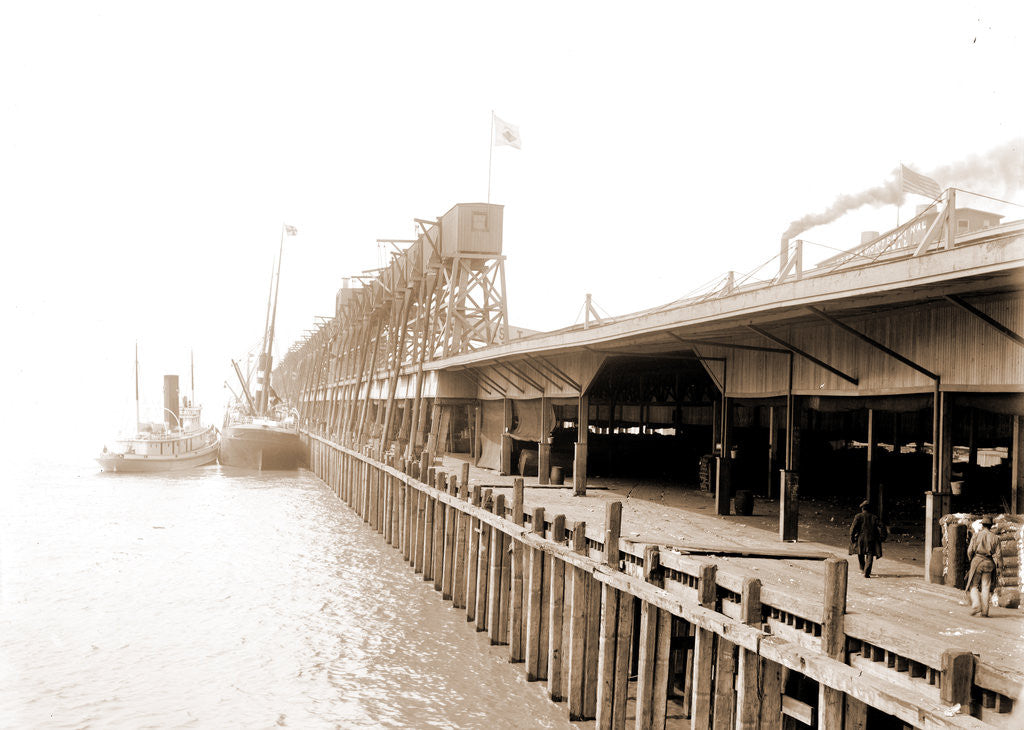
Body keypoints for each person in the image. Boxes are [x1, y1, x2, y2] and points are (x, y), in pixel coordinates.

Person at [966, 515, 1003, 617]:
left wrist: (971, 560)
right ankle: (985, 611)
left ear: (982, 525)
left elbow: (970, 551)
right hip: (989, 563)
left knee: (973, 585)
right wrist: (1000, 567)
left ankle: (976, 605)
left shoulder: (976, 535)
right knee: (986, 587)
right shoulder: (995, 537)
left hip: (977, 561)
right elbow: (999, 555)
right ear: (991, 526)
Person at [849, 500, 886, 577]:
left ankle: (862, 569)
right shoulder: (874, 517)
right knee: (870, 554)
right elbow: (882, 526)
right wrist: (882, 537)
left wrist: (852, 537)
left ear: (862, 508)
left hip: (861, 538)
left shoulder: (858, 516)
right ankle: (867, 572)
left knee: (860, 553)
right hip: (872, 538)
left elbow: (853, 528)